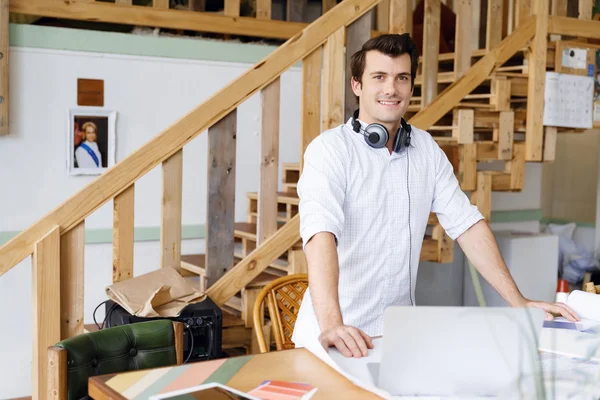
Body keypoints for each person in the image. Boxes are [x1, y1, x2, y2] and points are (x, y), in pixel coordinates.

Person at [291, 33, 579, 359]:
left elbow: (468, 226)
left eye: (401, 78)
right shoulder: (330, 150)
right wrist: (332, 324)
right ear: (357, 86)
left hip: (395, 338)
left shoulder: (425, 149)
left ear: (410, 87)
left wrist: (520, 302)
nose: (391, 89)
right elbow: (320, 235)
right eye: (379, 77)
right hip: (333, 339)